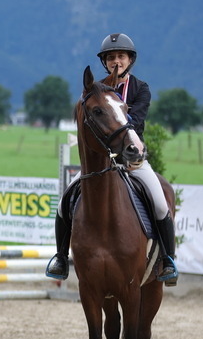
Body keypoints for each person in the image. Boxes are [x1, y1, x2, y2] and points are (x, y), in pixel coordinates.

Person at [45, 32, 178, 285]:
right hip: (101, 165)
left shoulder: (141, 89)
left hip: (131, 161)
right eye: (112, 57)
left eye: (121, 56)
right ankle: (61, 257)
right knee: (64, 204)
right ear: (105, 62)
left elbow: (135, 122)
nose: (117, 61)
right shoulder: (96, 91)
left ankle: (167, 260)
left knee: (161, 204)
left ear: (130, 60)